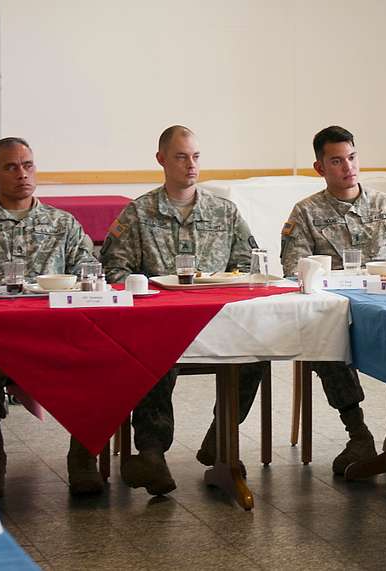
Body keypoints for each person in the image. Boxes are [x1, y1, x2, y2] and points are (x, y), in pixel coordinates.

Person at [100, 125, 264, 495]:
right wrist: (148, 290)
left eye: (196, 156)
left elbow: (248, 264)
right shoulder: (138, 214)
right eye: (181, 157)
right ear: (161, 160)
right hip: (160, 322)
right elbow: (114, 271)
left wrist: (227, 280)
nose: (191, 165)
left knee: (258, 352)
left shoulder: (225, 212)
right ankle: (153, 454)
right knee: (154, 353)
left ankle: (221, 440)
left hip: (218, 321)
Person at [0, 137, 98, 497]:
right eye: (11, 167)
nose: (21, 174)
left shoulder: (62, 224)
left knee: (99, 361)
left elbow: (89, 270)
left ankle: (84, 457)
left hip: (56, 331)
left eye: (27, 165)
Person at [280, 125, 386, 475]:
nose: (348, 167)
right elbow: (294, 270)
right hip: (335, 311)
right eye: (336, 161)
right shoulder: (306, 213)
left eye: (352, 157)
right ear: (320, 168)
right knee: (322, 340)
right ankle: (358, 433)